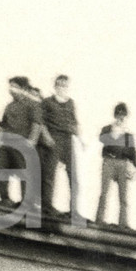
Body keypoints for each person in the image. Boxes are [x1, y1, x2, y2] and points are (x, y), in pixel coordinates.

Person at [0, 76, 44, 206]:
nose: (11, 89)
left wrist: (32, 141)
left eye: (15, 86)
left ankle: (26, 203)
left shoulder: (32, 105)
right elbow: (4, 125)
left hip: (21, 144)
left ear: (23, 89)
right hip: (6, 143)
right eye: (10, 86)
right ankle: (5, 199)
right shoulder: (9, 106)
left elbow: (37, 124)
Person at [40, 75, 81, 218]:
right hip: (54, 137)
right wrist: (47, 136)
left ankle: (73, 210)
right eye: (60, 84)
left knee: (73, 174)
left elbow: (74, 122)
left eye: (65, 85)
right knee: (49, 173)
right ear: (55, 86)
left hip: (68, 139)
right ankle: (46, 206)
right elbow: (41, 122)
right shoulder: (47, 102)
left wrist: (80, 138)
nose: (62, 87)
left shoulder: (70, 103)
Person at [95, 103, 136, 227]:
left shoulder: (128, 133)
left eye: (123, 114)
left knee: (123, 196)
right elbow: (101, 138)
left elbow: (132, 152)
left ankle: (123, 223)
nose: (121, 117)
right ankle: (99, 219)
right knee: (104, 193)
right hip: (109, 161)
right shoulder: (108, 129)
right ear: (115, 115)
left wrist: (135, 167)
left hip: (123, 163)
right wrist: (114, 131)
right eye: (119, 114)